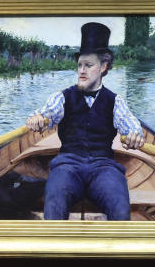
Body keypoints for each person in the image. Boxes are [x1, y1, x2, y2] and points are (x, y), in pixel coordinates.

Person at [25, 22, 145, 221]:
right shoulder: (62, 97)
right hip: (67, 165)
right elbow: (46, 114)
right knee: (54, 204)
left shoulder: (115, 101)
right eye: (80, 65)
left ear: (103, 67)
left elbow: (132, 127)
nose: (81, 70)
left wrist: (134, 136)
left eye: (88, 65)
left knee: (121, 208)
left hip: (104, 167)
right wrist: (37, 119)